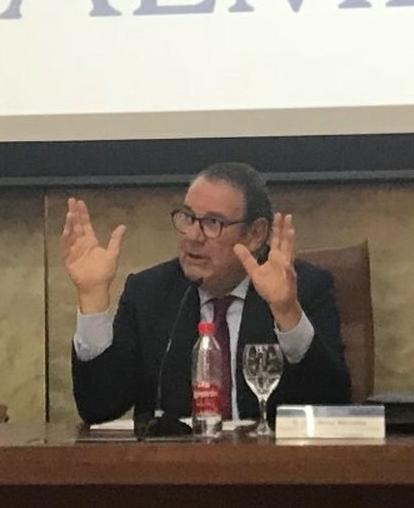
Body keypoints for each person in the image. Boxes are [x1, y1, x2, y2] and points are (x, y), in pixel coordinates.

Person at [66, 162, 351, 426]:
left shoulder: (304, 288)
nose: (193, 235)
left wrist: (287, 313)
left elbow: (334, 406)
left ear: (255, 234)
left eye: (213, 223)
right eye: (188, 218)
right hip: (174, 471)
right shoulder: (149, 293)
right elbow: (98, 408)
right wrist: (92, 299)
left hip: (272, 470)